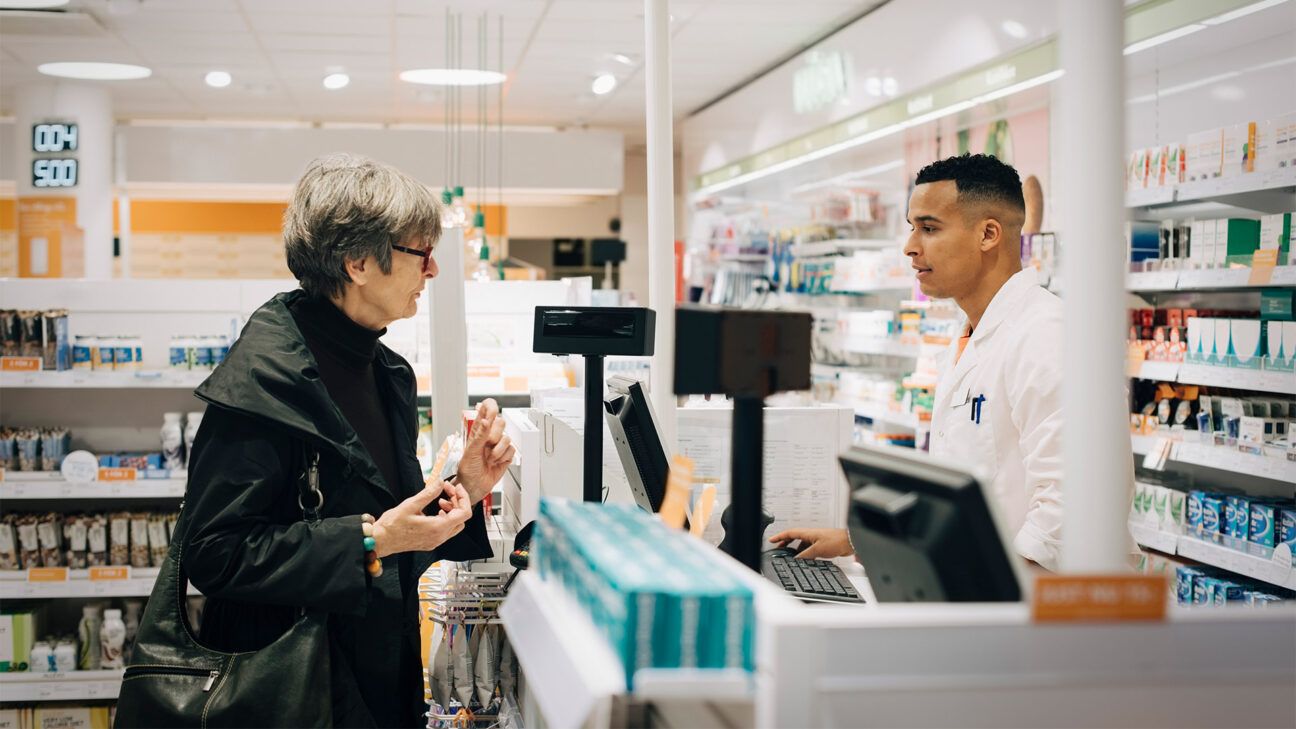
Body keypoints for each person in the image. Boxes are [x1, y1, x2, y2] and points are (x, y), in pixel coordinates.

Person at [170, 153, 515, 726]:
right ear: (358, 262)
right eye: (420, 253)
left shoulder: (389, 374)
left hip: (376, 681)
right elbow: (215, 553)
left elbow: (394, 535)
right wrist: (369, 542)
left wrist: (467, 488)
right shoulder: (264, 381)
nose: (432, 271)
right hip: (290, 690)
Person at [772, 153, 1127, 572]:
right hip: (979, 600)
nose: (909, 247)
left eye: (929, 228)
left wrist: (992, 596)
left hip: (1034, 615)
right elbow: (966, 487)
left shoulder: (1050, 337)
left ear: (988, 234)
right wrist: (859, 540)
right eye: (911, 228)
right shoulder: (972, 334)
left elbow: (1077, 500)